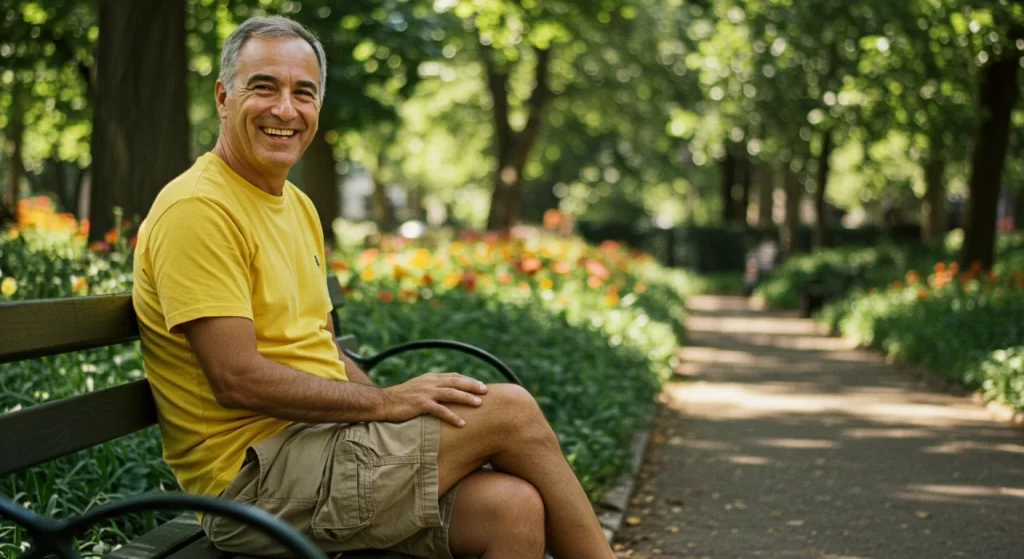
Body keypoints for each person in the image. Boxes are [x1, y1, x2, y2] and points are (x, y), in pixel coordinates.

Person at [131, 15, 616, 559]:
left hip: (315, 450)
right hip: (252, 485)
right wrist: (385, 403)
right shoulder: (200, 207)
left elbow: (323, 349)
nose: (285, 109)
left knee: (512, 509)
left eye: (303, 92)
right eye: (263, 87)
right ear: (223, 97)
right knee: (509, 411)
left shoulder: (296, 206)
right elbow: (236, 378)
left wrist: (394, 408)